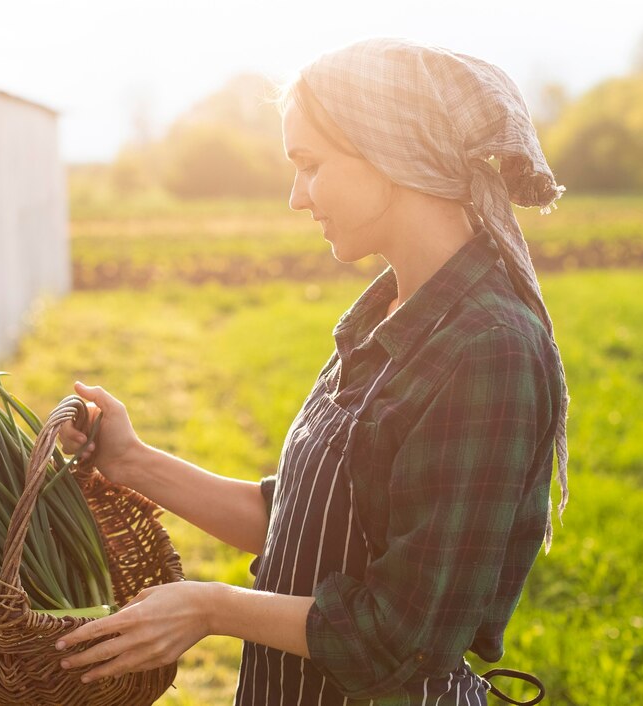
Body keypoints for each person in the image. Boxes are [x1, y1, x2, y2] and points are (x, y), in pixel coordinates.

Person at [54, 37, 569, 706]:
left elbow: (405, 638)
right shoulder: (385, 314)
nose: (298, 197)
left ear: (391, 155)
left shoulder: (486, 350)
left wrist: (210, 609)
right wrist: (132, 462)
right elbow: (306, 524)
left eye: (311, 164)